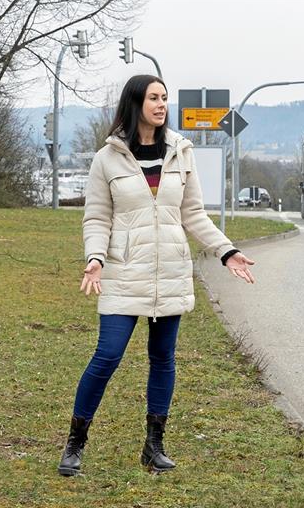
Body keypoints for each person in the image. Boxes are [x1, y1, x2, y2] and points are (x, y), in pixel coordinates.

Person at [58, 74, 256, 476]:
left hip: (169, 271)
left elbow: (193, 214)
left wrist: (226, 251)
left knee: (163, 358)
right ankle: (75, 443)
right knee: (107, 355)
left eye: (164, 98)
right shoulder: (107, 158)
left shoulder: (181, 152)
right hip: (124, 270)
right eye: (154, 97)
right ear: (136, 103)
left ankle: (154, 446)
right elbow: (97, 217)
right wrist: (95, 258)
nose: (162, 104)